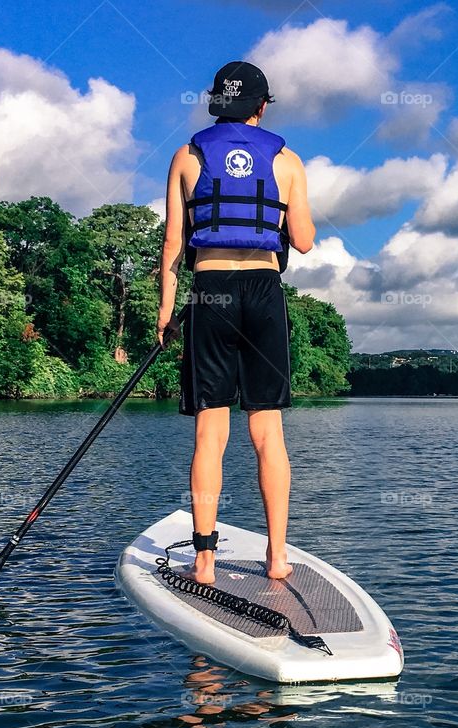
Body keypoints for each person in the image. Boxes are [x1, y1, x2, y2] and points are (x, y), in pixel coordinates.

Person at [155, 61, 315, 584]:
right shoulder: (288, 161)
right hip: (264, 292)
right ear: (262, 107)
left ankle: (204, 560)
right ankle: (277, 557)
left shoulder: (187, 155)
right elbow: (305, 239)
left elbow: (173, 245)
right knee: (268, 433)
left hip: (210, 291)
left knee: (210, 433)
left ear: (216, 105)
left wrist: (166, 313)